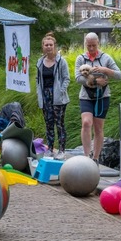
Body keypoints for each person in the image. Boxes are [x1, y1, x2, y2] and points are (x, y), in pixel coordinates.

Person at [75, 32, 121, 165]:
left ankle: (95, 158)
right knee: (86, 123)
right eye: (88, 45)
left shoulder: (106, 57)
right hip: (86, 96)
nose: (91, 48)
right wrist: (96, 82)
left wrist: (105, 70)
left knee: (98, 128)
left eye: (93, 45)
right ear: (85, 44)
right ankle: (86, 156)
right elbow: (78, 78)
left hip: (102, 97)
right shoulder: (81, 58)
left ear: (98, 44)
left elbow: (119, 75)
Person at [36, 32, 70, 160]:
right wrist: (38, 93)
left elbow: (67, 78)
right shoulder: (40, 62)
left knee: (59, 124)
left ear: (54, 46)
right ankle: (50, 148)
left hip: (58, 97)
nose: (48, 47)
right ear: (43, 46)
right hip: (45, 96)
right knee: (48, 123)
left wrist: (60, 91)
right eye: (46, 45)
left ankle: (61, 149)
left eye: (51, 45)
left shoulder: (61, 61)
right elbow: (37, 79)